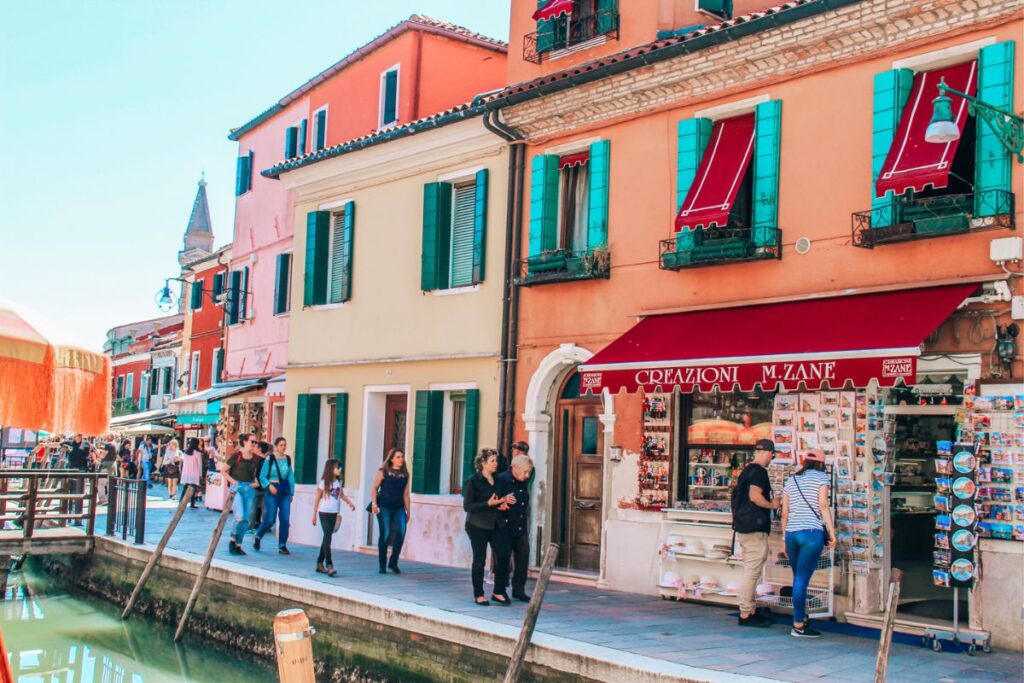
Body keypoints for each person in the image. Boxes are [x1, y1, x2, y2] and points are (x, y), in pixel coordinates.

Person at [781, 449, 836, 638]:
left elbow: (785, 513)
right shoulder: (821, 478)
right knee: (802, 579)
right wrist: (832, 532)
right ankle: (797, 624)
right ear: (821, 463)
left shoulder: (791, 480)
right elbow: (823, 505)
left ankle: (801, 618)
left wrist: (784, 539)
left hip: (791, 534)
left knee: (798, 578)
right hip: (811, 534)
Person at [731, 438, 780, 628]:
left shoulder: (746, 471)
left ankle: (750, 609)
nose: (771, 459)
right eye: (772, 455)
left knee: (751, 570)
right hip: (754, 528)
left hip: (744, 527)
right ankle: (745, 613)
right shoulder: (759, 472)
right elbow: (754, 496)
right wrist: (772, 504)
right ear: (768, 453)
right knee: (752, 572)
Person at [463, 449, 515, 606]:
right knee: (479, 559)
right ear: (482, 463)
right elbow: (468, 506)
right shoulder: (473, 481)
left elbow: (499, 499)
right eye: (492, 461)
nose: (495, 464)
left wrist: (503, 503)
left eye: (496, 461)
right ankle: (479, 594)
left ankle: (499, 591)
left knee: (504, 555)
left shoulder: (499, 480)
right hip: (477, 524)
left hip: (496, 523)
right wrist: (488, 504)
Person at [495, 454, 534, 602]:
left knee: (523, 557)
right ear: (515, 468)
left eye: (528, 472)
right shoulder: (500, 480)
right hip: (504, 526)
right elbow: (491, 500)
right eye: (525, 472)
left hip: (520, 525)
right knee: (503, 559)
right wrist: (500, 503)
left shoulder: (523, 481)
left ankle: (519, 590)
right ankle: (499, 590)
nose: (527, 475)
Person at [370, 448, 411, 574]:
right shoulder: (384, 471)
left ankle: (393, 561)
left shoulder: (405, 475)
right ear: (392, 459)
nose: (401, 459)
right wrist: (374, 504)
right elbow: (374, 488)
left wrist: (408, 511)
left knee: (401, 531)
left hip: (398, 507)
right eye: (398, 457)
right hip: (384, 506)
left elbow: (406, 494)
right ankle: (382, 564)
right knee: (386, 533)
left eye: (402, 456)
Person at [312, 458, 355, 576]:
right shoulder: (323, 483)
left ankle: (319, 563)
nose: (339, 469)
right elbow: (317, 499)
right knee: (328, 537)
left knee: (327, 537)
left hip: (333, 513)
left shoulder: (338, 483)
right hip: (324, 512)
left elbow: (341, 495)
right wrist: (314, 515)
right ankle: (329, 564)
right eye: (337, 467)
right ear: (331, 469)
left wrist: (349, 502)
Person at [221, 434, 261, 556]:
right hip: (237, 488)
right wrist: (234, 482)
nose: (254, 444)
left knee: (247, 519)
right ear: (244, 442)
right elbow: (223, 470)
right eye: (252, 442)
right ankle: (233, 540)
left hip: (249, 488)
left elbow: (259, 475)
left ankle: (238, 543)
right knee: (240, 516)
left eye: (255, 442)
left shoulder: (256, 459)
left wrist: (256, 484)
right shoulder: (236, 456)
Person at [254, 437, 296, 554]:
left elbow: (290, 476)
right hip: (272, 489)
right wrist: (269, 485)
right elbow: (262, 476)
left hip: (284, 491)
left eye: (285, 445)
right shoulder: (270, 459)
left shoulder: (287, 459)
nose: (283, 447)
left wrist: (292, 492)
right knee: (270, 519)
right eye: (281, 445)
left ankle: (282, 545)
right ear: (276, 446)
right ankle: (258, 536)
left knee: (285, 519)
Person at [179, 438, 204, 509]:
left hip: (186, 472)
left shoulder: (186, 452)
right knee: (193, 488)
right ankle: (192, 503)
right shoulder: (197, 453)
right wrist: (200, 474)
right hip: (194, 472)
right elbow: (199, 464)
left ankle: (181, 501)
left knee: (185, 487)